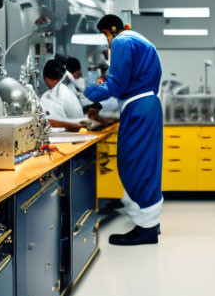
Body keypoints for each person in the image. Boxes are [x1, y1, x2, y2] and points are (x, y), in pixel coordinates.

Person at [85, 14, 163, 246]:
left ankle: (146, 229)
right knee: (144, 163)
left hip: (138, 108)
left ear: (109, 31)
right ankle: (148, 222)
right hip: (144, 107)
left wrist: (90, 92)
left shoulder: (121, 42)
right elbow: (124, 83)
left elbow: (116, 85)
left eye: (104, 36)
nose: (105, 41)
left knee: (133, 164)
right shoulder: (137, 39)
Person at [39, 59, 89, 130]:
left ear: (45, 78)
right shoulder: (62, 91)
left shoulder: (61, 91)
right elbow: (79, 118)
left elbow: (79, 121)